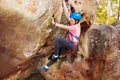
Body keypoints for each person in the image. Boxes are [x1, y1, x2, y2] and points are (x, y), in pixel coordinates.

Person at [39, 0, 82, 71]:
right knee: (57, 54)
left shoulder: (75, 27)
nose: (70, 20)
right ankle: (46, 66)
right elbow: (67, 14)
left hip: (71, 44)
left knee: (57, 40)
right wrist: (63, 3)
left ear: (76, 21)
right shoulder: (75, 22)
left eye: (72, 20)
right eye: (70, 20)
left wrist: (55, 24)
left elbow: (64, 27)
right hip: (70, 45)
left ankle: (55, 55)